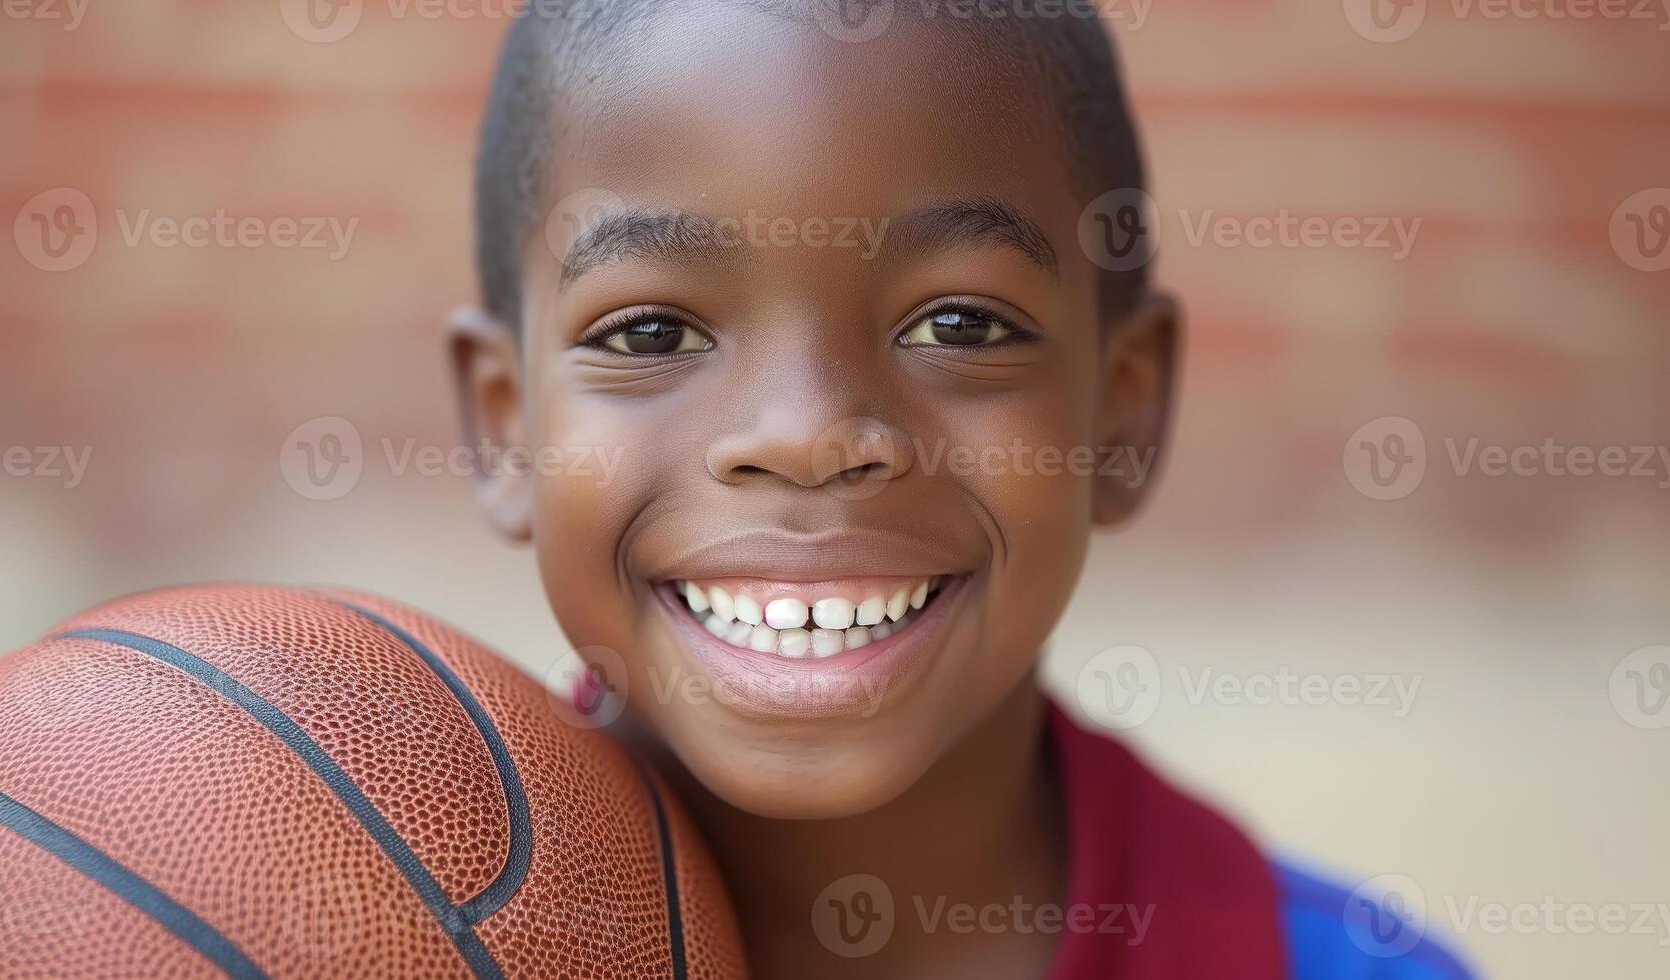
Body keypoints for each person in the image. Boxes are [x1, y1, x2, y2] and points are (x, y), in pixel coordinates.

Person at [451, 3, 1477, 976]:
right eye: (652, 333)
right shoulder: (348, 924)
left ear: (1118, 414)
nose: (809, 435)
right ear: (507, 426)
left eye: (960, 326)